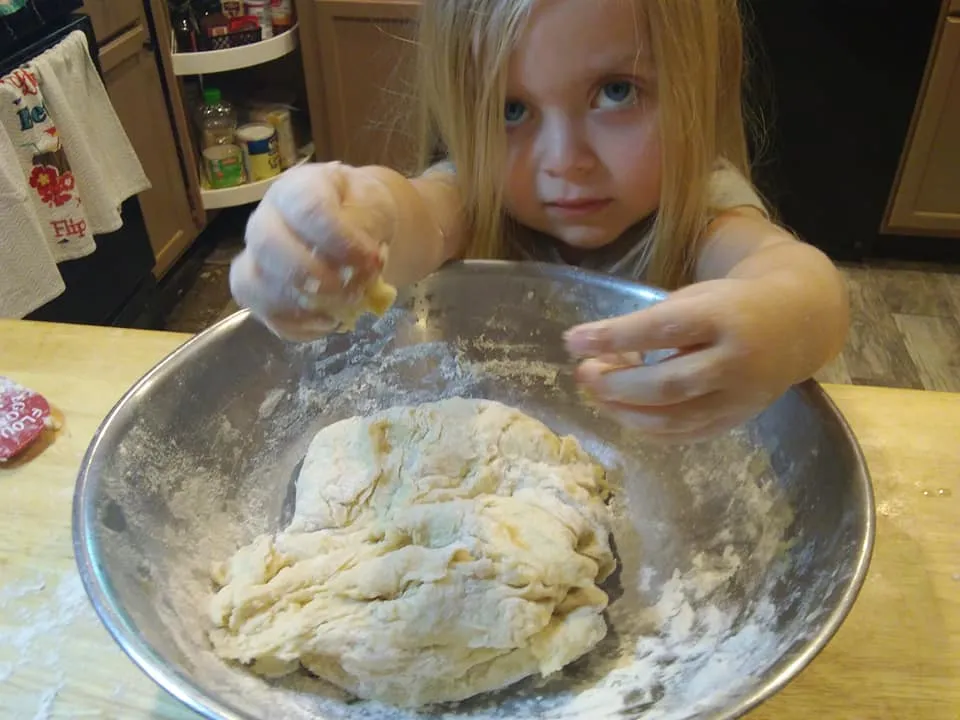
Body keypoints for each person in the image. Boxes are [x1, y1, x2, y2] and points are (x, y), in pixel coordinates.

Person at [230, 0, 849, 443]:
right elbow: (411, 215)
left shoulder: (702, 214)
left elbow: (799, 281)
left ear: (701, 88)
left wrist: (786, 324)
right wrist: (348, 220)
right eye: (512, 108)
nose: (564, 162)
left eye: (616, 92)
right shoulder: (473, 199)